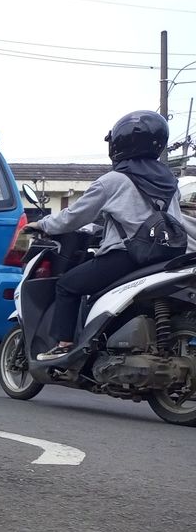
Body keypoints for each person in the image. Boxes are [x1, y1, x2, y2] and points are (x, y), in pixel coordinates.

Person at [27, 110, 193, 361]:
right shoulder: (170, 182)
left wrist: (43, 225)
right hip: (165, 258)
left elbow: (74, 217)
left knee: (67, 286)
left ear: (119, 142)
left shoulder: (112, 181)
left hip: (127, 257)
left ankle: (63, 344)